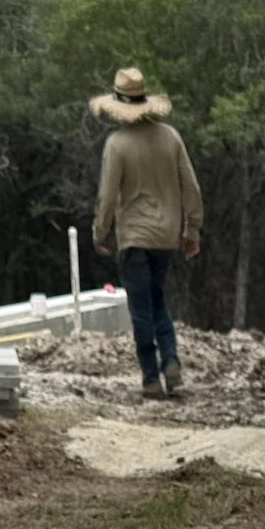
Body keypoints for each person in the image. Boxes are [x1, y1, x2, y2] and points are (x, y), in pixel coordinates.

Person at [91, 66, 203, 396]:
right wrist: (191, 229)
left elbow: (107, 195)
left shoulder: (117, 144)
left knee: (140, 306)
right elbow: (191, 186)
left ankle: (150, 376)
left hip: (135, 237)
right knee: (157, 298)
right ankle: (171, 360)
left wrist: (101, 231)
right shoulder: (170, 136)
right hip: (166, 235)